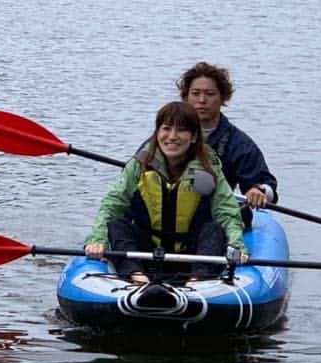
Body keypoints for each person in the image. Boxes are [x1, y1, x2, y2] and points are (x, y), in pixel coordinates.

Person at [84, 101, 247, 286]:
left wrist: (237, 245)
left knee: (213, 229)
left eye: (181, 131)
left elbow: (225, 211)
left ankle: (197, 280)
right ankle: (137, 276)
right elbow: (113, 204)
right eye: (166, 129)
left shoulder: (205, 172)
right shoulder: (140, 166)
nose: (172, 137)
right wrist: (98, 239)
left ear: (193, 137)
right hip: (146, 251)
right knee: (117, 224)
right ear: (157, 133)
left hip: (191, 251)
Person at [176, 62, 278, 211]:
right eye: (196, 93)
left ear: (223, 98)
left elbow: (269, 188)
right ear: (186, 97)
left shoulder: (239, 144)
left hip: (215, 214)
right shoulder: (167, 137)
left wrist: (258, 191)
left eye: (209, 94)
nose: (202, 100)